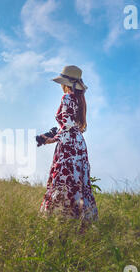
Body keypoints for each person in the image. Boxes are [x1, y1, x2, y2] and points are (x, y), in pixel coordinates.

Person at [40, 65, 99, 223]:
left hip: (68, 144)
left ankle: (60, 217)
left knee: (63, 179)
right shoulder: (81, 100)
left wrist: (51, 139)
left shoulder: (66, 98)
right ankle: (81, 218)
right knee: (78, 180)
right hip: (79, 143)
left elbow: (66, 125)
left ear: (66, 83)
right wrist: (54, 134)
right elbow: (74, 126)